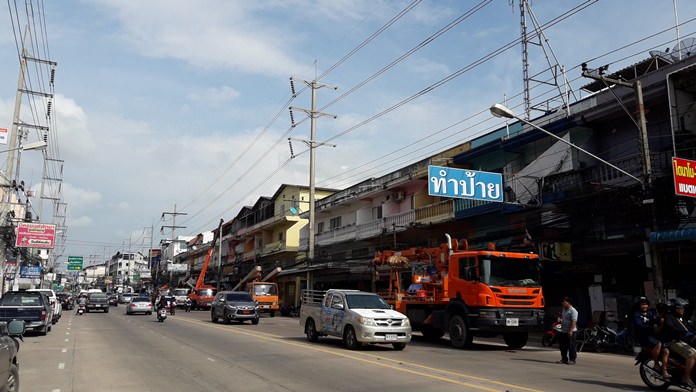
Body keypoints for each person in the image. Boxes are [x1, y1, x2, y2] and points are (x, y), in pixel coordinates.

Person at [661, 298, 696, 388]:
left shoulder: (681, 318)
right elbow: (672, 328)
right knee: (691, 354)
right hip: (673, 341)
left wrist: (693, 333)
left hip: (683, 340)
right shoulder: (669, 317)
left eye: (682, 308)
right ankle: (686, 378)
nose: (682, 310)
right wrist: (686, 333)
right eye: (679, 308)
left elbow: (689, 328)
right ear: (673, 309)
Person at [632, 297, 670, 379]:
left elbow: (656, 320)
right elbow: (639, 326)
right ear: (639, 305)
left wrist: (661, 320)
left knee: (666, 351)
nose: (644, 306)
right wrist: (651, 328)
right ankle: (656, 364)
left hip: (653, 335)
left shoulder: (651, 313)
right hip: (644, 337)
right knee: (658, 344)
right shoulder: (636, 315)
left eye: (645, 304)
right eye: (642, 304)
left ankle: (664, 371)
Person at [556, 296, 578, 365]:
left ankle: (572, 359)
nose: (562, 303)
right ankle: (564, 359)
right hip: (563, 331)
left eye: (564, 302)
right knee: (563, 346)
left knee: (571, 346)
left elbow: (574, 322)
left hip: (571, 331)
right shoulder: (564, 309)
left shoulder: (573, 311)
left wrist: (570, 331)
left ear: (568, 302)